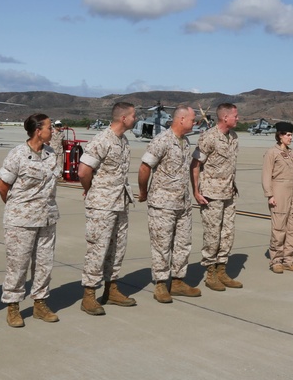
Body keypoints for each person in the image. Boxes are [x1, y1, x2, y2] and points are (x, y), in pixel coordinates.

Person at [0, 114, 61, 327]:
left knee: (45, 264)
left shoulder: (51, 153)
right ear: (38, 130)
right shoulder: (18, 154)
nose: (53, 131)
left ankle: (40, 304)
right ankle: (13, 306)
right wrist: (18, 209)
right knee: (18, 264)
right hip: (21, 220)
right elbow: (2, 186)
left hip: (47, 218)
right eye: (50, 128)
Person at [78, 102, 139, 315]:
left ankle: (111, 289)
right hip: (102, 205)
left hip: (120, 202)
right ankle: (89, 296)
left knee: (117, 249)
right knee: (98, 249)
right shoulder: (102, 140)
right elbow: (83, 171)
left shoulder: (123, 140)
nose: (136, 119)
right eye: (134, 115)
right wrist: (92, 191)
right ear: (124, 118)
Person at [138, 106, 201, 303]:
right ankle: (160, 284)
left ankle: (178, 281)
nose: (194, 123)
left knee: (183, 244)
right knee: (162, 245)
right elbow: (144, 167)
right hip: (163, 204)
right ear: (181, 119)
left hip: (182, 203)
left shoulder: (185, 142)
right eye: (192, 119)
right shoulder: (162, 141)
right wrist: (143, 191)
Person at [191, 103, 243, 291]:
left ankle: (222, 269)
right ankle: (210, 272)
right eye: (235, 116)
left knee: (227, 233)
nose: (238, 118)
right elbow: (195, 164)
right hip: (211, 194)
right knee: (212, 234)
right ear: (225, 117)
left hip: (229, 192)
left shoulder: (234, 137)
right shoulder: (209, 137)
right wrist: (196, 191)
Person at [262, 121, 293, 273]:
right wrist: (269, 194)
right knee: (279, 228)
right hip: (279, 191)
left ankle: (289, 259)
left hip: (292, 192)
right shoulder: (272, 153)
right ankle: (276, 260)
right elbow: (266, 175)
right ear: (279, 136)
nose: (290, 137)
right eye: (287, 135)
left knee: (292, 228)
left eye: (291, 135)